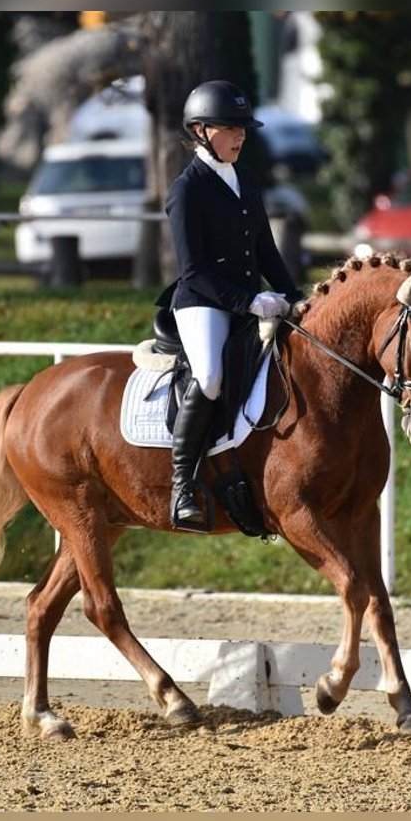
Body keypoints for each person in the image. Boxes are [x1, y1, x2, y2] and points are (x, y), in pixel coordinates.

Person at [157, 79, 305, 529]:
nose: (241, 135)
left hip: (250, 301)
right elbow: (194, 271)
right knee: (212, 376)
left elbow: (265, 250)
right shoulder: (187, 190)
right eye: (231, 127)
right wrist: (248, 301)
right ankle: (183, 482)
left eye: (244, 128)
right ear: (201, 131)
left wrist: (296, 298)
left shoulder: (244, 179)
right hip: (203, 303)